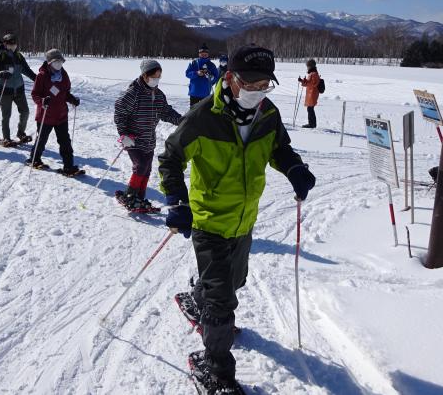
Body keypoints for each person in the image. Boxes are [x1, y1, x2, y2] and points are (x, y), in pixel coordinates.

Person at [158, 45, 315, 393]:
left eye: (265, 85)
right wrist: (177, 202)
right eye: (250, 84)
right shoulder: (202, 118)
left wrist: (295, 169)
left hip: (243, 221)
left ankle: (198, 298)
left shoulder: (268, 114)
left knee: (235, 281)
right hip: (209, 220)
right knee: (222, 302)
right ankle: (215, 368)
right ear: (229, 79)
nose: (257, 92)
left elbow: (280, 149)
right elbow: (170, 159)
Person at [114, 59, 183, 211]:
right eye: (154, 76)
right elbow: (120, 111)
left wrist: (181, 120)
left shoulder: (158, 95)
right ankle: (130, 196)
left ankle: (140, 198)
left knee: (147, 169)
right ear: (145, 76)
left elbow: (166, 112)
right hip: (133, 140)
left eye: (159, 76)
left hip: (149, 140)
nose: (156, 79)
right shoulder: (133, 93)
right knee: (141, 166)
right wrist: (123, 134)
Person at [27, 48, 81, 174]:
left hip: (61, 115)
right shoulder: (42, 76)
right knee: (41, 139)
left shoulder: (64, 75)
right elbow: (35, 94)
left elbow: (65, 93)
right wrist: (42, 101)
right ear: (50, 62)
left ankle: (68, 165)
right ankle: (34, 159)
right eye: (56, 62)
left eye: (61, 62)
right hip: (46, 115)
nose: (59, 64)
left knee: (65, 141)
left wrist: (72, 99)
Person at [0, 33, 37, 147]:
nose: (13, 45)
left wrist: (38, 80)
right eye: (10, 43)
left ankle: (21, 133)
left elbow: (27, 71)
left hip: (19, 89)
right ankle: (6, 137)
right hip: (5, 90)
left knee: (25, 111)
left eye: (14, 43)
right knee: (6, 115)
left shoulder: (19, 56)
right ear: (5, 44)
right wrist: (1, 74)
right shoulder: (0, 56)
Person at [299, 58, 320, 128]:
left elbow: (313, 84)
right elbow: (309, 83)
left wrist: (304, 81)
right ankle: (312, 123)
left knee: (310, 109)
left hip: (312, 94)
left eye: (308, 66)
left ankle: (312, 124)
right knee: (310, 109)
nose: (307, 67)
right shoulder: (312, 73)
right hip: (311, 93)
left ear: (311, 66)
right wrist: (302, 81)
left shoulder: (313, 74)